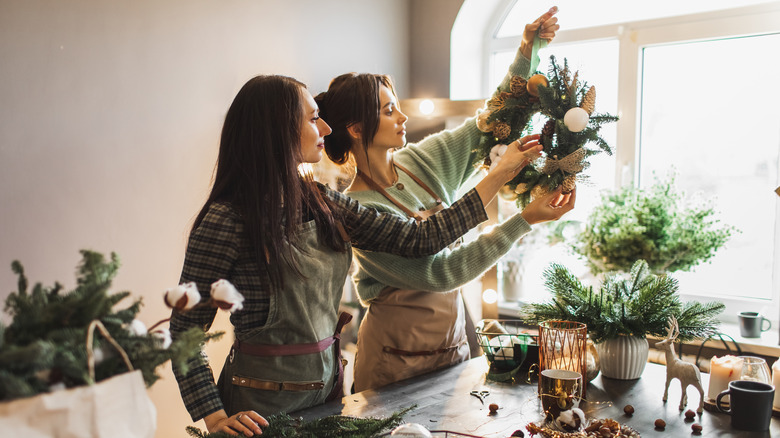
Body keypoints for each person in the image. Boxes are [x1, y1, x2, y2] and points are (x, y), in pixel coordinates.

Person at [170, 74, 543, 436]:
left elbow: (421, 239)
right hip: (259, 410)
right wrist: (215, 416)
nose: (326, 129)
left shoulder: (320, 199)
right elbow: (185, 330)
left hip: (331, 398)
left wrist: (502, 179)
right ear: (278, 129)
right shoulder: (226, 219)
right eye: (313, 119)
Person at [314, 7, 572, 393]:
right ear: (355, 129)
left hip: (452, 350)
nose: (402, 116)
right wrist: (523, 219)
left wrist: (525, 51)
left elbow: (489, 124)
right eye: (388, 110)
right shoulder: (360, 211)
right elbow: (443, 272)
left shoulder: (420, 161)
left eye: (397, 104)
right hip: (391, 365)